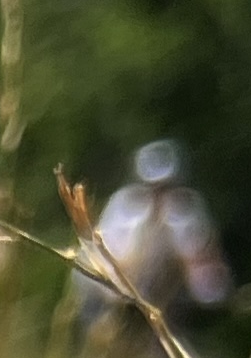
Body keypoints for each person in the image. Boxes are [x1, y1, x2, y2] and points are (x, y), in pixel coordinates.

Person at [79, 139, 232, 343]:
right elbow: (105, 257)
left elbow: (201, 258)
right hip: (115, 296)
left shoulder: (186, 210)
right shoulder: (124, 206)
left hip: (166, 303)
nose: (160, 195)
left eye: (166, 187)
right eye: (154, 188)